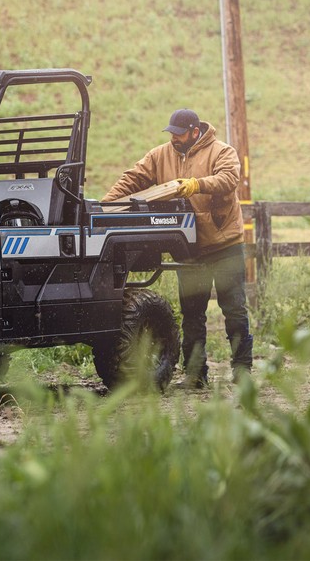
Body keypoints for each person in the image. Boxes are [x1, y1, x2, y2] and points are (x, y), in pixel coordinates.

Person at [102, 108, 252, 387]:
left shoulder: (222, 152)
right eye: (171, 133)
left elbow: (229, 179)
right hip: (190, 249)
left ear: (195, 132)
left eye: (179, 134)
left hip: (224, 246)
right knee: (192, 315)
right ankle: (195, 376)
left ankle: (242, 372)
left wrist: (196, 185)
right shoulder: (160, 155)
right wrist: (105, 206)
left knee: (234, 311)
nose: (174, 139)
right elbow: (133, 178)